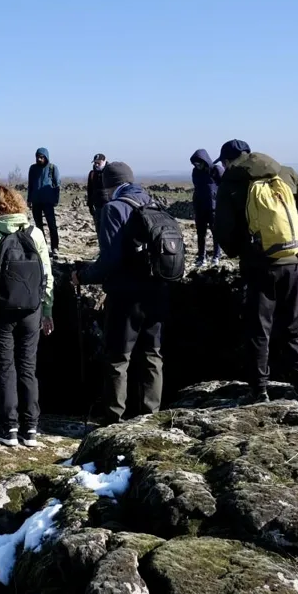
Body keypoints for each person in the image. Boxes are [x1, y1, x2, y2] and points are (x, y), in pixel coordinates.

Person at [215, 139, 298, 405]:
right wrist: (293, 237)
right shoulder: (287, 173)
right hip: (293, 263)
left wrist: (241, 249)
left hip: (258, 266)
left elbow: (224, 230)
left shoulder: (231, 182)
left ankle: (259, 390)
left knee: (259, 329)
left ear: (228, 161)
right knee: (295, 328)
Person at [75, 162, 170, 425]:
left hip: (126, 294)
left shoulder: (113, 209)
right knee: (153, 354)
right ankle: (151, 416)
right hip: (158, 290)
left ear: (109, 185)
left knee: (118, 357)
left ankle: (113, 417)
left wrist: (83, 276)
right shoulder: (153, 204)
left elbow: (110, 260)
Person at [0, 185, 54, 447]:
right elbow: (47, 276)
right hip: (32, 310)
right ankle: (31, 429)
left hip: (0, 312)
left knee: (5, 368)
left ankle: (8, 429)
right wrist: (47, 311)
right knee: (28, 366)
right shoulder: (35, 233)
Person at [190, 149, 223, 265]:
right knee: (201, 234)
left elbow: (223, 186)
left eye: (199, 163)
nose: (197, 165)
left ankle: (216, 256)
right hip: (200, 207)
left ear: (204, 161)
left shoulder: (216, 170)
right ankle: (201, 257)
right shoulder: (195, 172)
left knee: (216, 233)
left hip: (214, 208)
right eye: (195, 164)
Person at [27, 148, 61, 258]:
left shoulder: (52, 168)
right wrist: (29, 199)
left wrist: (56, 199)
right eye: (38, 157)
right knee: (38, 226)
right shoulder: (33, 168)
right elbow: (30, 185)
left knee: (52, 225)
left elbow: (57, 185)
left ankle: (55, 247)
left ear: (46, 157)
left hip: (48, 201)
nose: (39, 159)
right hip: (36, 201)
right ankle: (42, 246)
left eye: (42, 157)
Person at [86, 154, 107, 225]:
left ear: (104, 161)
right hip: (97, 206)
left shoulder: (111, 173)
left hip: (109, 205)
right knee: (99, 227)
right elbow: (89, 190)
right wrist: (90, 205)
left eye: (98, 162)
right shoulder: (92, 174)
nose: (96, 165)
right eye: (95, 163)